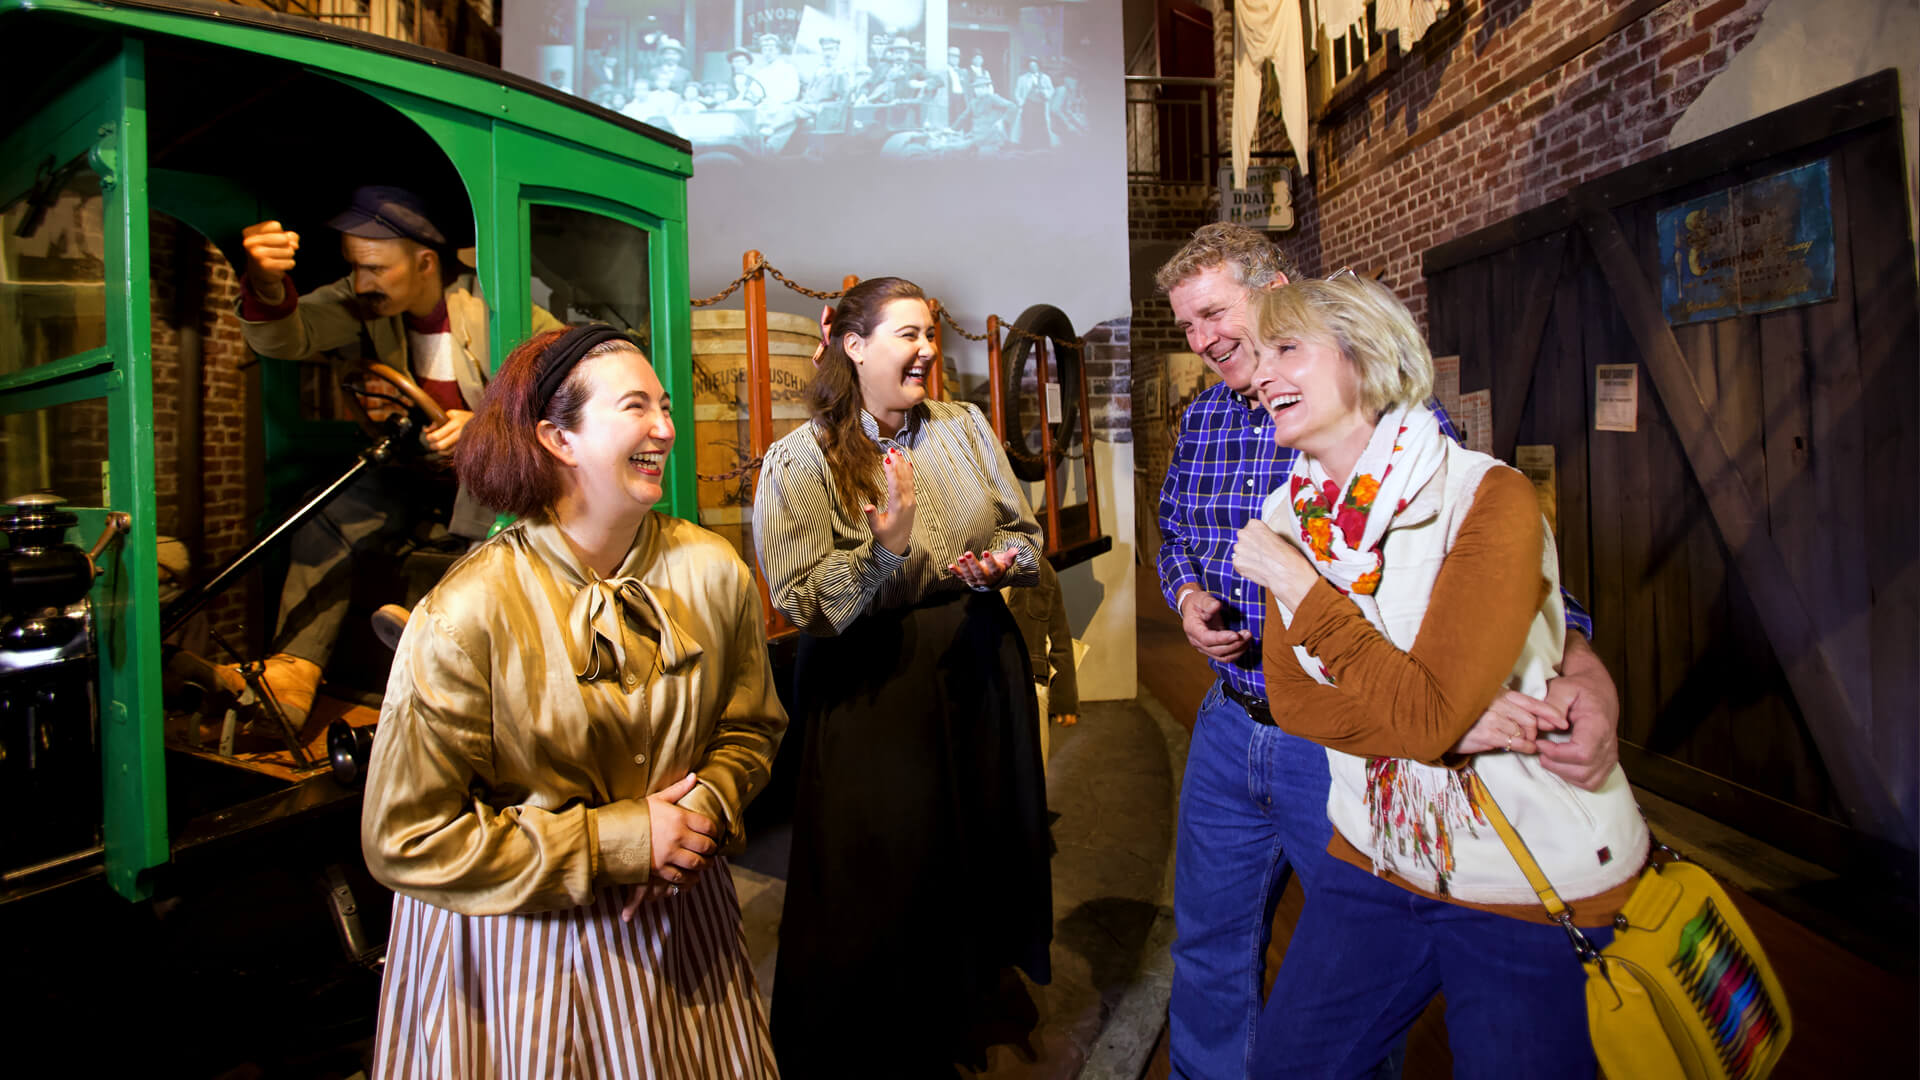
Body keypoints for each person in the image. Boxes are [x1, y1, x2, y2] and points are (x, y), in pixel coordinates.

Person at [1154, 223, 1622, 1080]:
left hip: (1361, 761)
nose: (1205, 342)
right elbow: (1175, 532)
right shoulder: (1214, 428)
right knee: (1219, 946)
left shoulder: (1407, 436)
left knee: (1395, 998)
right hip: (1241, 720)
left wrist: (1578, 665)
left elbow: (1501, 573)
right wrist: (1186, 593)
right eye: (1186, 325)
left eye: (1216, 313)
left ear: (1280, 293)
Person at [360, 324, 786, 1077]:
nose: (665, 427)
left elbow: (751, 728)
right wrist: (620, 843)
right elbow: (407, 839)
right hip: (521, 957)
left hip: (683, 935)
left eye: (663, 405)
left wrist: (703, 813)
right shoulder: (465, 615)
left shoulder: (715, 571)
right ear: (558, 438)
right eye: (636, 407)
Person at [753, 277, 1052, 1076]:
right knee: (885, 866)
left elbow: (1028, 535)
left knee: (978, 844)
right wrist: (884, 551)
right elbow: (800, 603)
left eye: (928, 334)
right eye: (906, 335)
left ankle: (964, 1006)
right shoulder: (800, 459)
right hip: (872, 684)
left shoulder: (963, 427)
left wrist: (1002, 565)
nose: (926, 350)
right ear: (853, 346)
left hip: (978, 660)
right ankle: (881, 1040)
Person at [230, 185, 562, 728]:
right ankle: (290, 673)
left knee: (482, 526)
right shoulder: (365, 301)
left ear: (425, 262)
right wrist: (266, 285)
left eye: (376, 268)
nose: (362, 284)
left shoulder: (495, 306)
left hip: (488, 476)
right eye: (355, 268)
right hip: (415, 471)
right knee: (330, 516)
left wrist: (485, 427)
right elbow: (286, 338)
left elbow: (566, 387)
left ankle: (443, 656)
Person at [1004, 555, 1080, 773]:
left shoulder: (1040, 569)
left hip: (1033, 685)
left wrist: (1065, 700)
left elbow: (1060, 638)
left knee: (1033, 770)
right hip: (988, 685)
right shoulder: (973, 565)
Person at [1010, 57, 1056, 148]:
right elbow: (1017, 92)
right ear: (1028, 67)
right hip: (1028, 104)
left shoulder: (1045, 77)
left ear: (1038, 66)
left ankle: (1041, 144)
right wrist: (1020, 102)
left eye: (1035, 65)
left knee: (1041, 124)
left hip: (1040, 104)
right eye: (1030, 66)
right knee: (1028, 123)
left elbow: (1051, 90)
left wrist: (1044, 93)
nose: (1033, 67)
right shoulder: (1022, 78)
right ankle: (1028, 145)